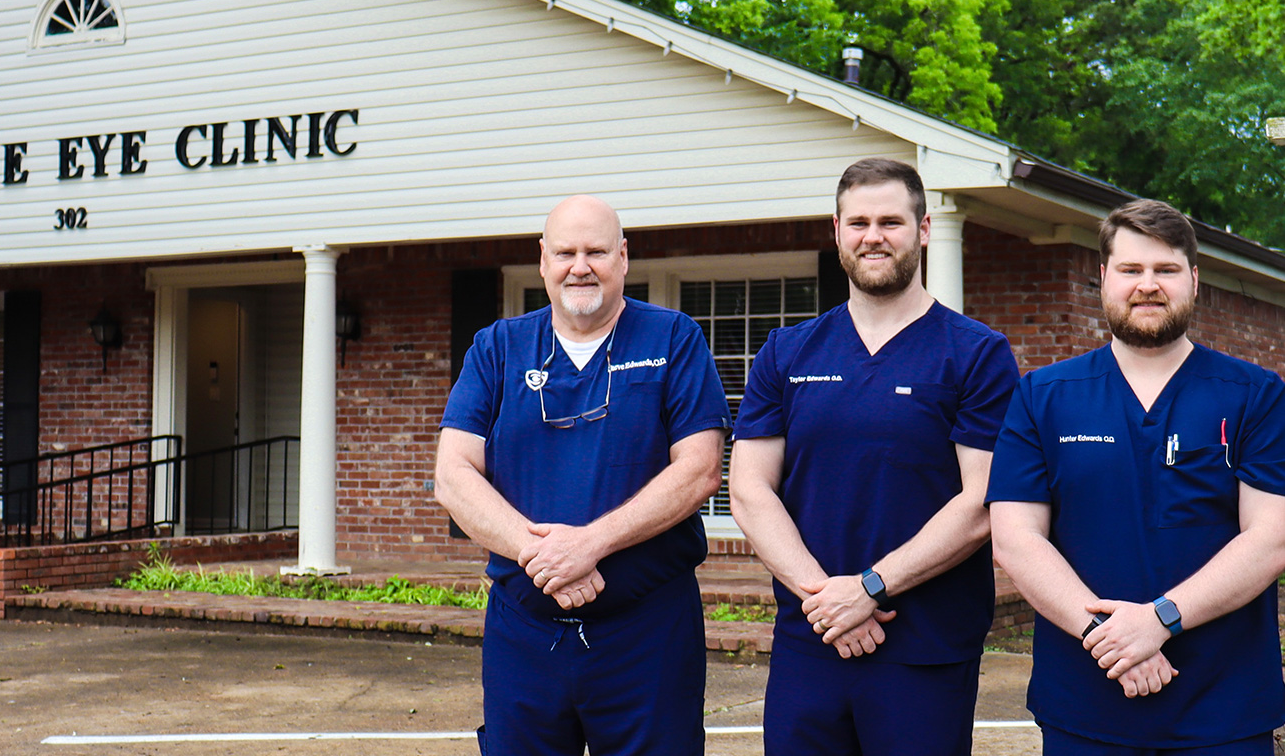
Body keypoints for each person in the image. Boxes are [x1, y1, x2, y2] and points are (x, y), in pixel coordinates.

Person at [728, 157, 1019, 756]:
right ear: (837, 231)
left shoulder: (976, 354)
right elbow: (750, 490)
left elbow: (982, 500)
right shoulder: (787, 351)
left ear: (924, 229)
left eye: (891, 221)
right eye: (858, 222)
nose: (873, 236)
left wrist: (870, 589)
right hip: (811, 639)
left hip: (925, 648)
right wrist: (826, 598)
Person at [434, 194, 730, 756]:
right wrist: (542, 554)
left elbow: (699, 470)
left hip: (646, 636)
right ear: (543, 259)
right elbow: (453, 474)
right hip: (525, 634)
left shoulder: (673, 338)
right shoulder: (497, 348)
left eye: (596, 251)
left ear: (623, 257)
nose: (580, 266)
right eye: (566, 252)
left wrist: (590, 544)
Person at [987, 199, 1285, 755]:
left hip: (1223, 708)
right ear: (1104, 278)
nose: (1148, 285)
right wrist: (1108, 638)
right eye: (1131, 269)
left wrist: (1159, 621)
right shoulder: (1042, 397)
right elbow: (1015, 538)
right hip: (1085, 703)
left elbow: (1271, 538)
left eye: (1166, 269)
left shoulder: (1256, 395)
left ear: (1194, 281)